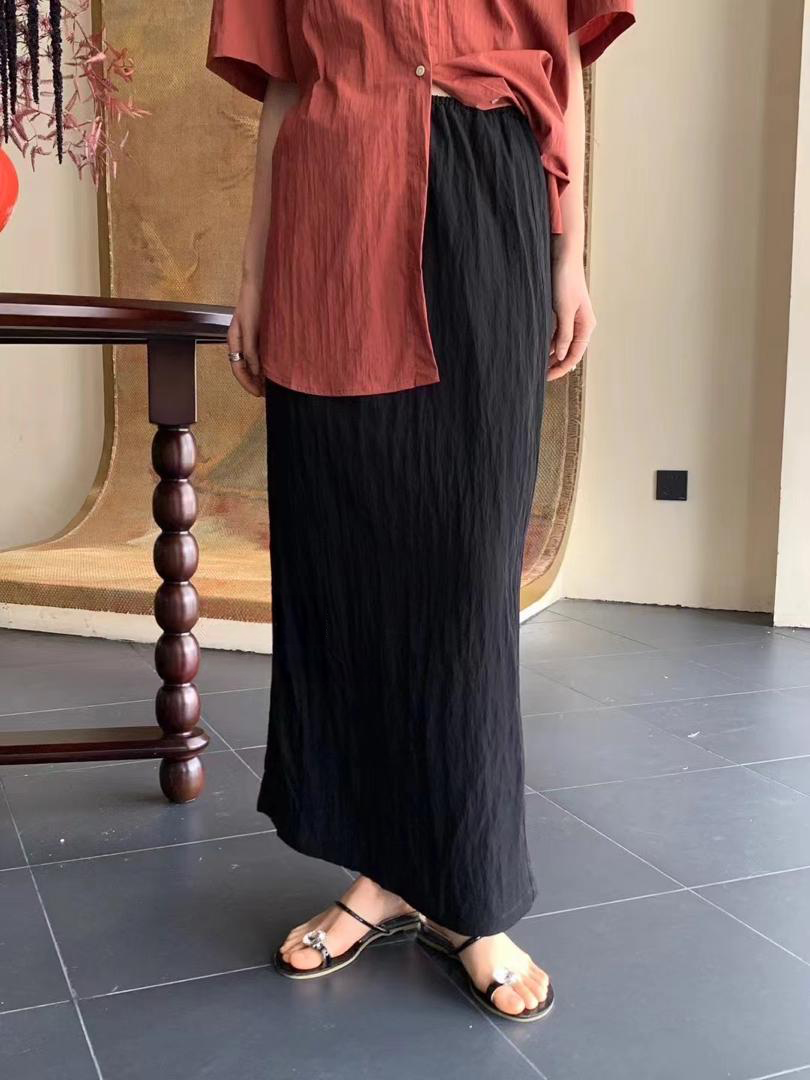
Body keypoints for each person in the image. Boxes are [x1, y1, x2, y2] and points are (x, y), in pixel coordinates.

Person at [206, 0, 635, 1022]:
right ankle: (383, 875)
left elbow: (564, 66)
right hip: (332, 219)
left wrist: (570, 252)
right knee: (343, 557)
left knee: (465, 568)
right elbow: (285, 89)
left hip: (486, 199)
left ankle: (471, 896)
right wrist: (258, 274)